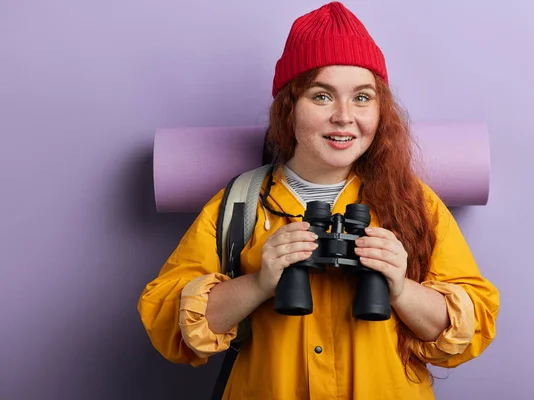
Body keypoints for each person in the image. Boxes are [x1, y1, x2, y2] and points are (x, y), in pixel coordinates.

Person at [137, 2, 500, 399]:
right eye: (322, 96)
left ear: (381, 110)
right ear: (289, 109)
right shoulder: (241, 204)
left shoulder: (412, 202)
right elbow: (168, 325)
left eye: (362, 97)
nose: (344, 117)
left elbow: (473, 327)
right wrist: (260, 283)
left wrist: (399, 288)